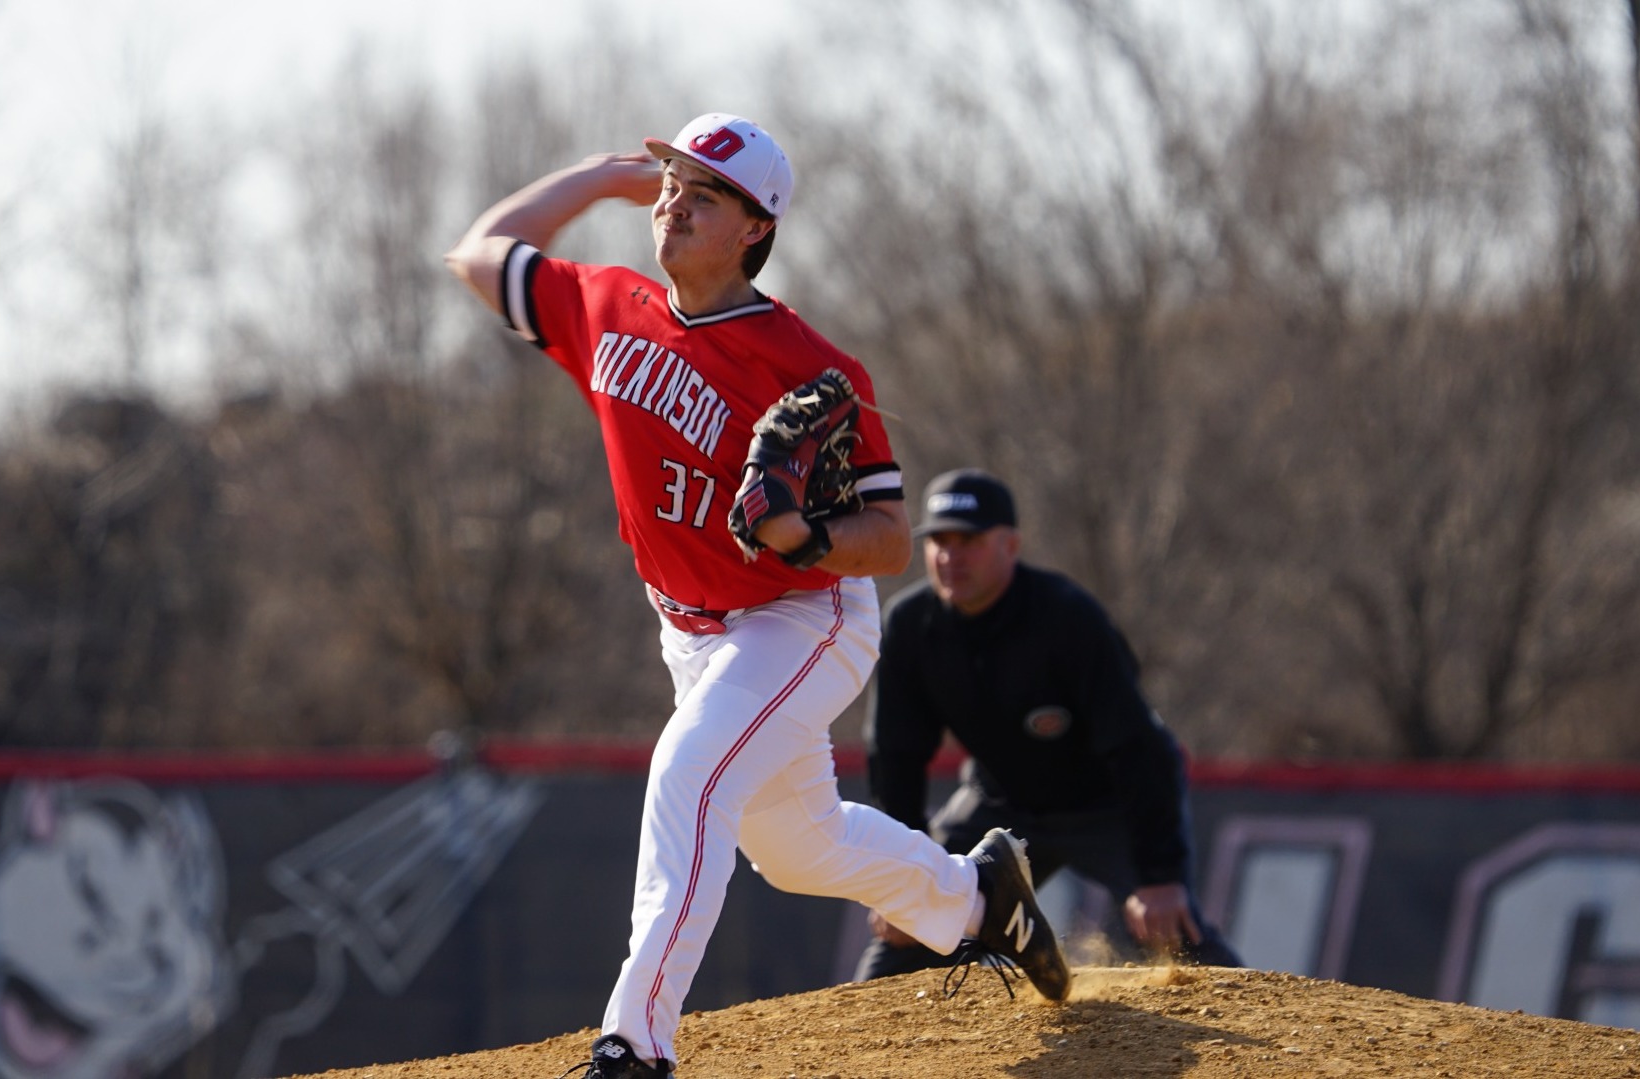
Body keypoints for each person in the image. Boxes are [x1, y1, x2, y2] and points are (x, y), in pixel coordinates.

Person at [444, 114, 1068, 1079]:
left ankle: (635, 1044)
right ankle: (981, 896)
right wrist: (600, 177)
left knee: (686, 774)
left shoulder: (811, 366)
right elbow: (479, 253)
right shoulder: (606, 306)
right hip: (690, 633)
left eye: (703, 194)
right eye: (671, 184)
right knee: (800, 848)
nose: (674, 203)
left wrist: (807, 536)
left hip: (803, 618)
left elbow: (889, 539)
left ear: (754, 227)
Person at [854, 468, 1242, 982]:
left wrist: (1161, 875)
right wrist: (904, 881)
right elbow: (895, 757)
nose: (950, 557)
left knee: (1177, 939)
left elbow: (1139, 747)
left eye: (968, 541)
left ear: (1010, 545)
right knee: (900, 943)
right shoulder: (910, 624)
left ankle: (1271, 1023)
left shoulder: (1065, 617)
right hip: (999, 804)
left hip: (1105, 808)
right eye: (939, 541)